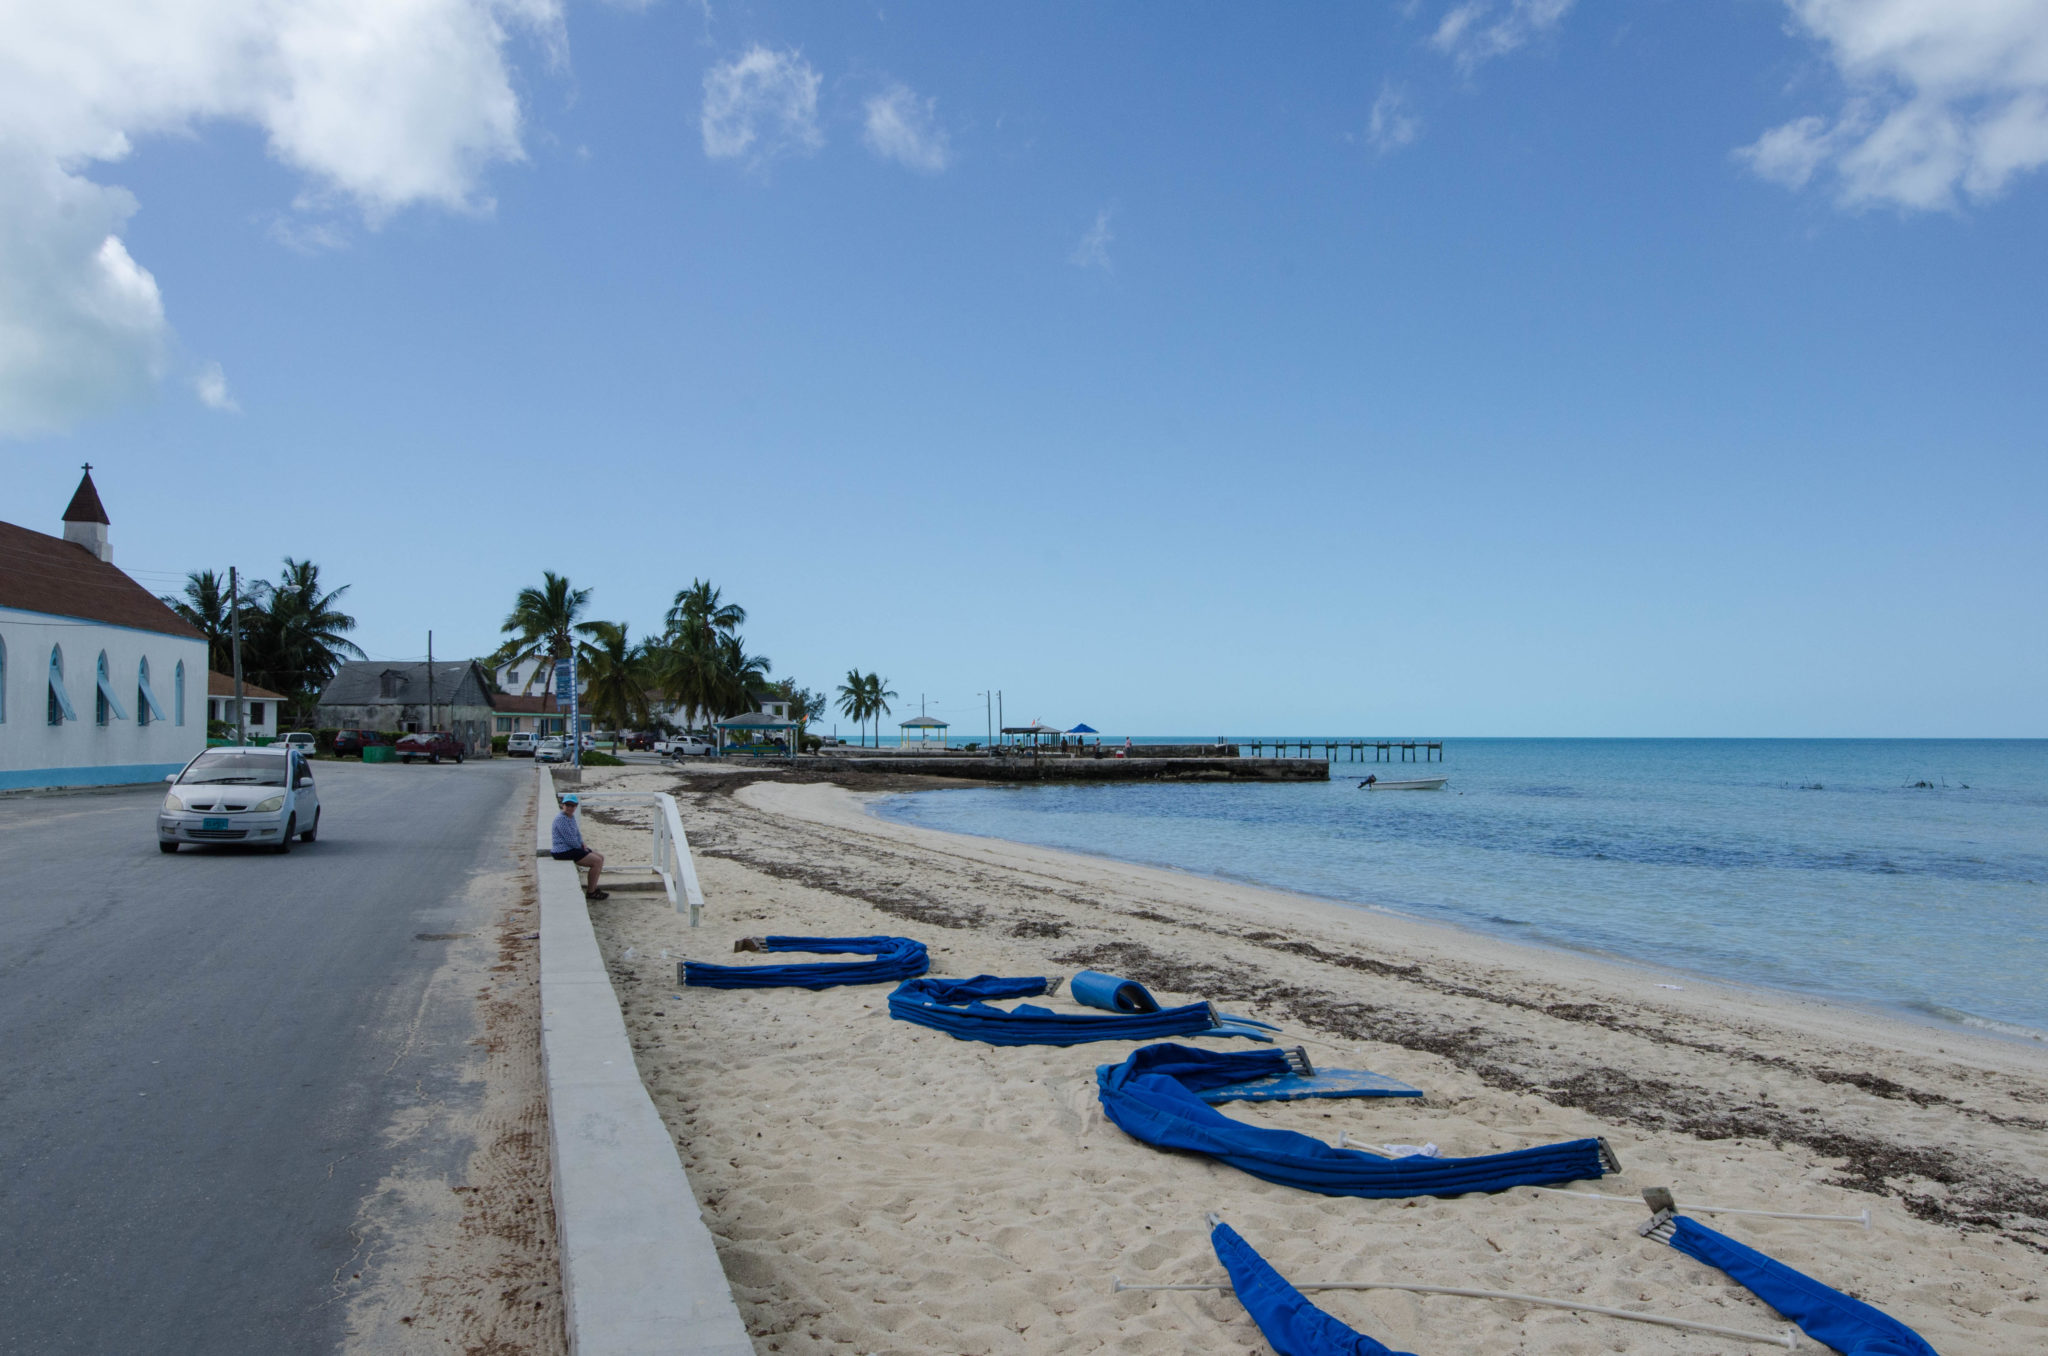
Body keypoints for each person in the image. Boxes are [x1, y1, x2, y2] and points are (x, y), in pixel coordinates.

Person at [551, 793, 607, 899]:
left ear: (576, 806)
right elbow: (570, 840)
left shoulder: (570, 817)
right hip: (562, 851)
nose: (570, 807)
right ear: (563, 805)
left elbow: (577, 834)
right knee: (596, 861)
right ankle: (591, 892)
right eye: (568, 805)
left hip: (571, 848)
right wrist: (582, 848)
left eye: (572, 805)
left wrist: (583, 844)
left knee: (600, 857)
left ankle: (594, 888)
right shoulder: (561, 819)